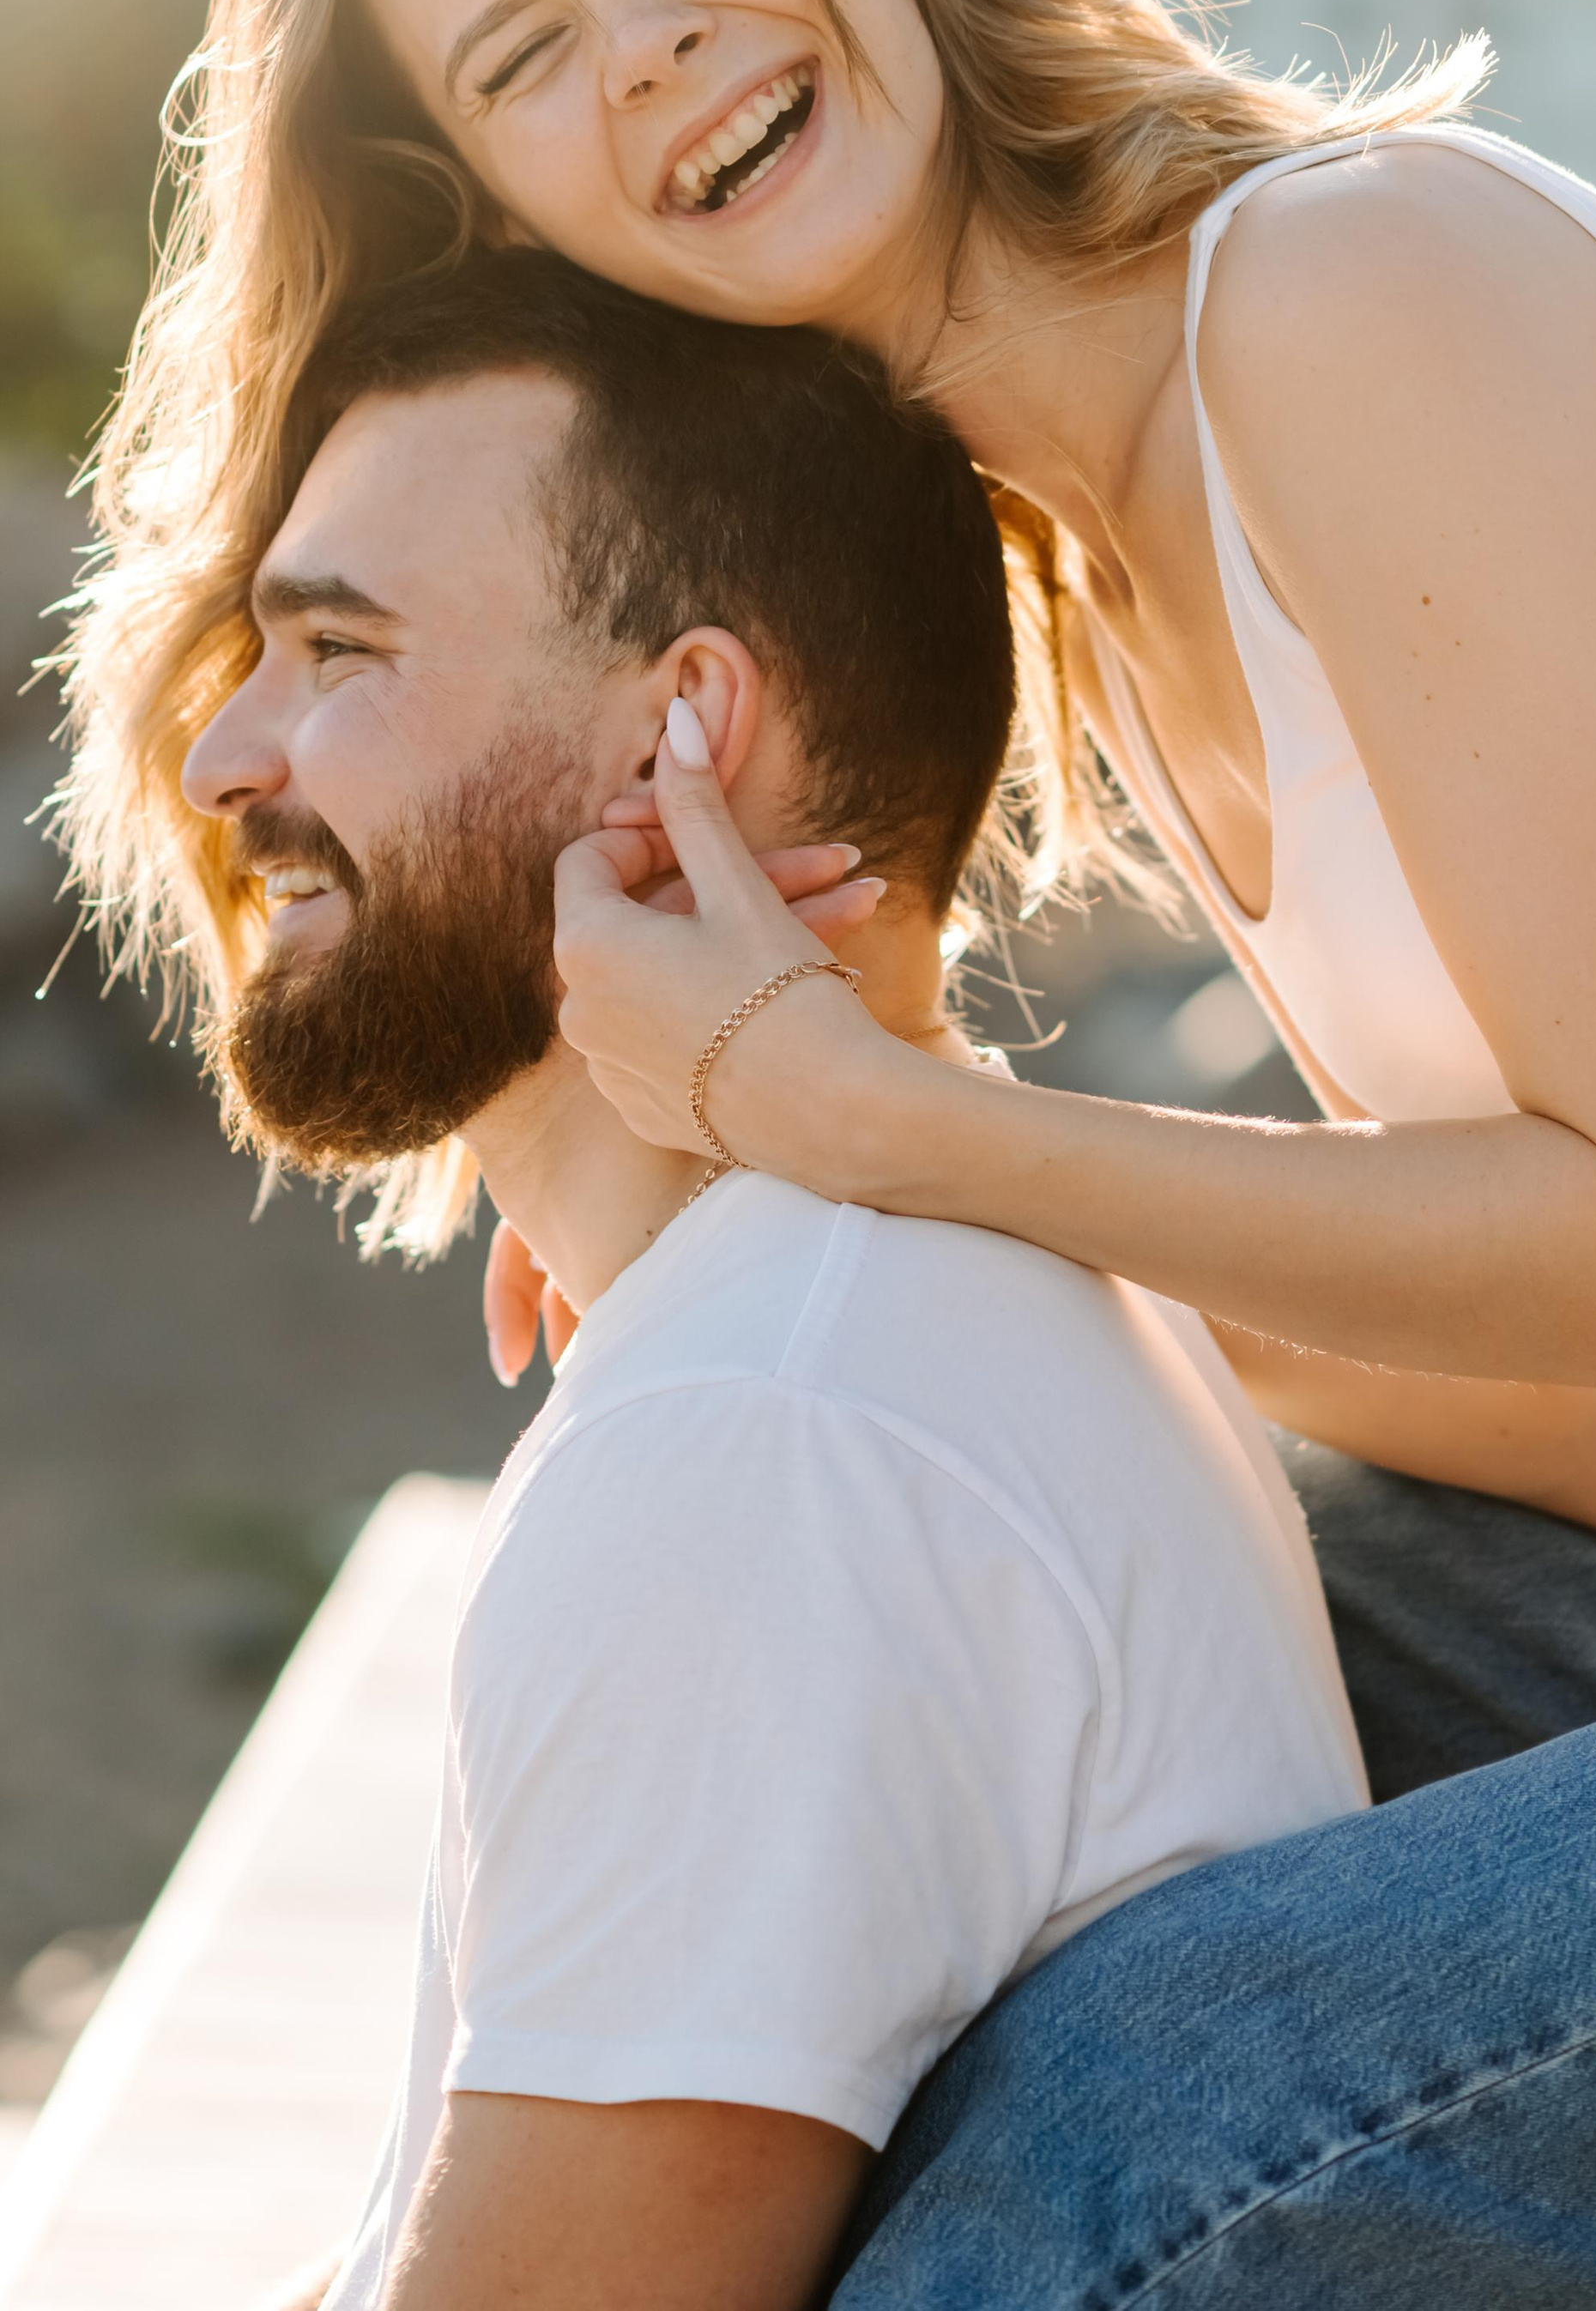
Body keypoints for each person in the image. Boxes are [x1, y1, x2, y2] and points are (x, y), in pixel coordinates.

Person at [64, 0, 1596, 2292]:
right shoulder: (1108, 565)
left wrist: (872, 1124)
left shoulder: (1337, 293)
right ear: (508, 207)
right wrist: (817, 1199)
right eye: (520, 53)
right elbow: (1586, 1452)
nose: (649, 45)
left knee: (1152, 2096)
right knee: (1047, 1594)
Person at [169, 248, 1369, 2310]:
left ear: (687, 736)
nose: (219, 767)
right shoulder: (893, 1315)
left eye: (339, 650)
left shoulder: (766, 1444)